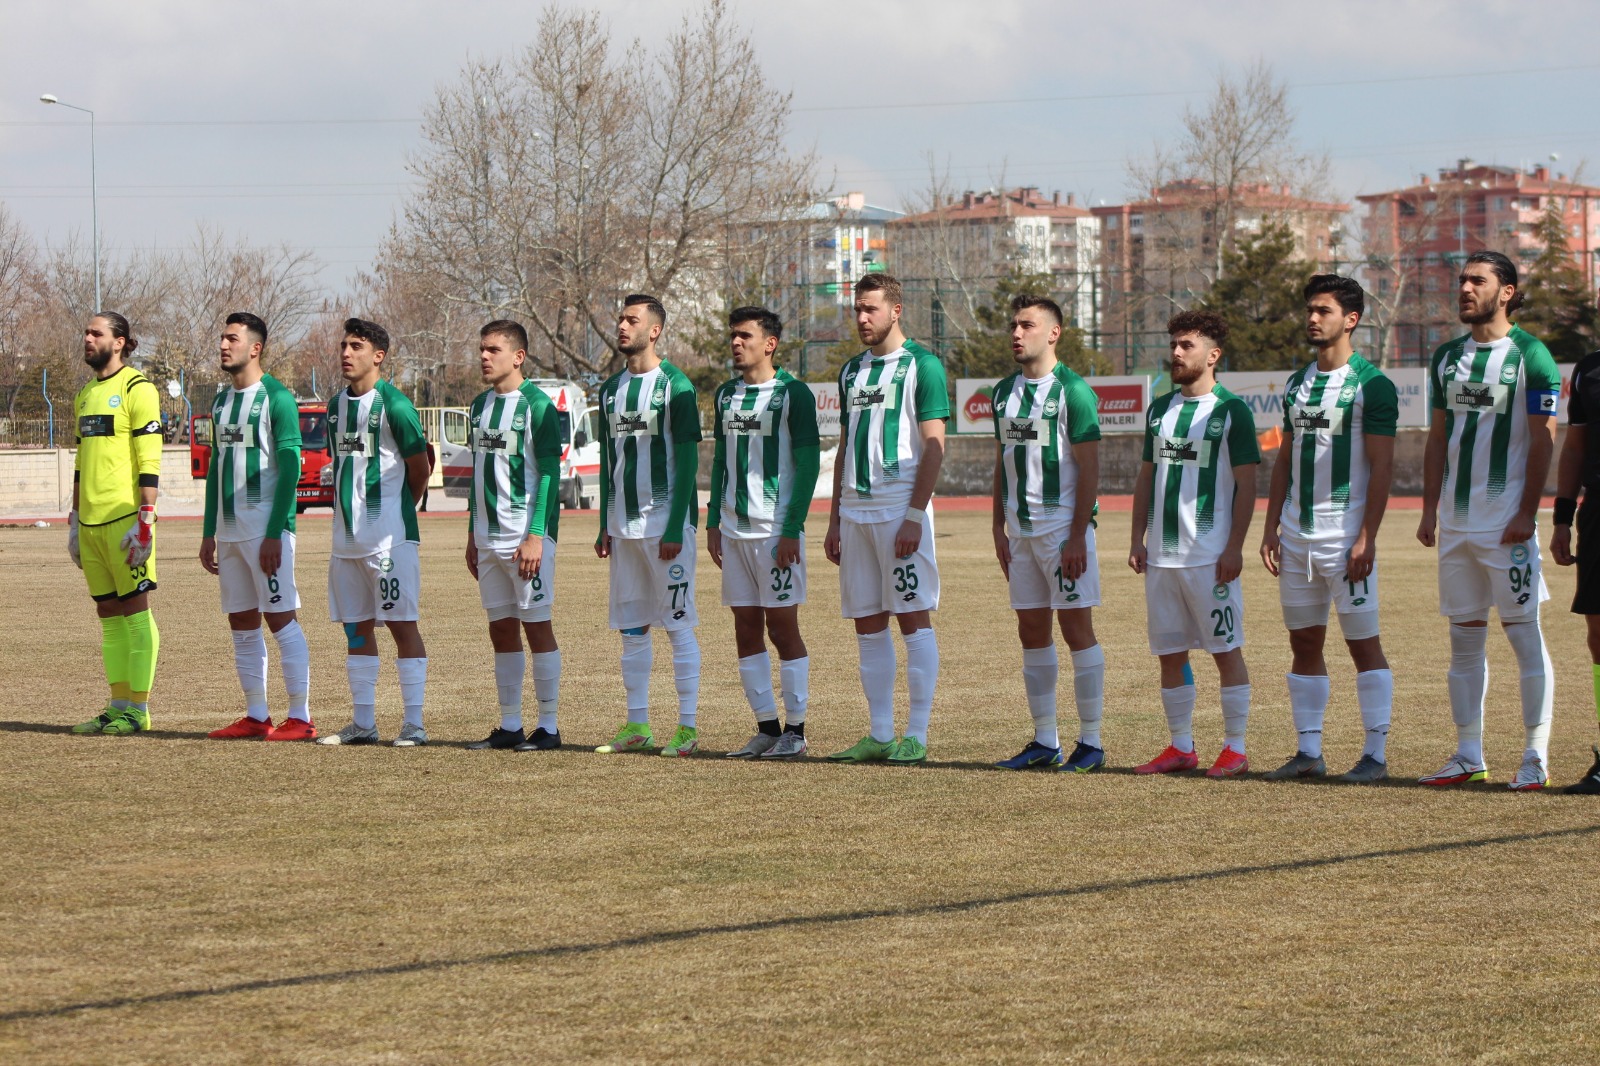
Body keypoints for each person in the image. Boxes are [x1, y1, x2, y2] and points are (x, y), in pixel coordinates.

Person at [1417, 251, 1560, 790]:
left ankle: (1535, 755)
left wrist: (1528, 510)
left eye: (1477, 280)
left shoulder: (1533, 356)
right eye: (1461, 280)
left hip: (1508, 526)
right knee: (1464, 641)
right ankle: (1468, 754)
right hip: (1456, 524)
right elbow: (1437, 438)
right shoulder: (1446, 358)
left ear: (1507, 292)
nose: (1464, 288)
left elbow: (1545, 437)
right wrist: (1431, 508)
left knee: (1525, 636)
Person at [1258, 276, 1397, 782]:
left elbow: (1382, 467)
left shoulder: (1373, 385)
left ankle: (1375, 756)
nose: (1312, 319)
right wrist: (1272, 527)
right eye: (1310, 310)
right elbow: (1285, 461)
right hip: (1296, 538)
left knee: (1363, 645)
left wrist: (1367, 536)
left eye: (1323, 311)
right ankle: (1308, 752)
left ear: (1351, 320)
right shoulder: (1297, 383)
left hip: (1345, 540)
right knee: (1304, 643)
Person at [824, 273, 950, 766]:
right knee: (867, 624)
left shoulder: (923, 365)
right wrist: (835, 518)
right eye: (857, 309)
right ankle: (879, 733)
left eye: (871, 309)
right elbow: (844, 448)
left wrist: (915, 515)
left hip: (900, 511)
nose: (861, 318)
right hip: (855, 514)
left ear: (896, 310)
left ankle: (915, 735)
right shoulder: (852, 371)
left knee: (913, 621)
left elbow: (935, 446)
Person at [1129, 310, 1259, 777]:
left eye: (1187, 345)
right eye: (1175, 345)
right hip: (1162, 556)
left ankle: (1236, 748)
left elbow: (1248, 484)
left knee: (1226, 650)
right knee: (1169, 652)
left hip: (1209, 557)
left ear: (1213, 355)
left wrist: (1234, 547)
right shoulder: (1160, 408)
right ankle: (1181, 746)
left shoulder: (1232, 412)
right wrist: (1137, 537)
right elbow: (1147, 476)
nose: (1177, 353)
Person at [989, 294, 1107, 772]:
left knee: (1077, 629)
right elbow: (1001, 462)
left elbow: (1092, 470)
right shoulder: (1002, 392)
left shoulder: (1074, 392)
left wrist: (1079, 534)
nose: (1017, 334)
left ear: (1054, 333)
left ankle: (1093, 743)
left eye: (1028, 325)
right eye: (1014, 325)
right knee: (1031, 631)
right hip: (1020, 533)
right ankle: (1044, 740)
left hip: (1063, 532)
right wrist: (998, 525)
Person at [706, 306, 820, 760]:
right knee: (745, 627)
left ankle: (796, 730)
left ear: (769, 343)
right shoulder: (725, 396)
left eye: (745, 336)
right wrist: (713, 520)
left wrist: (792, 528)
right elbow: (718, 463)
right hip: (734, 532)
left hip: (775, 533)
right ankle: (766, 728)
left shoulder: (794, 394)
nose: (736, 343)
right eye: (732, 335)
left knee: (783, 626)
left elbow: (809, 465)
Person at [592, 295, 704, 757]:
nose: (621, 325)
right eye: (620, 317)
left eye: (631, 319)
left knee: (677, 624)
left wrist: (677, 525)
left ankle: (688, 727)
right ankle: (637, 724)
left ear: (654, 331)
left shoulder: (675, 387)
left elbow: (690, 460)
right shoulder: (610, 390)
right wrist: (604, 522)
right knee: (632, 627)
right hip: (623, 528)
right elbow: (607, 460)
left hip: (665, 528)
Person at [315, 318, 433, 747]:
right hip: (345, 543)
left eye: (357, 346)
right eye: (344, 345)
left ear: (378, 356)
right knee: (357, 630)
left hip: (389, 540)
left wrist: (396, 512)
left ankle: (414, 725)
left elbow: (420, 470)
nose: (347, 353)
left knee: (402, 626)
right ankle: (363, 724)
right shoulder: (334, 407)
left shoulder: (396, 407)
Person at [201, 312, 315, 741]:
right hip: (229, 534)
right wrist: (208, 531)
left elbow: (291, 468)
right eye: (222, 338)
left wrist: (275, 532)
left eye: (232, 339)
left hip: (266, 533)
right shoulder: (220, 402)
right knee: (241, 623)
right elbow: (216, 469)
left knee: (281, 620)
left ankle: (301, 718)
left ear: (255, 348)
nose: (224, 346)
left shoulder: (277, 398)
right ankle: (256, 715)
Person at [462, 320, 564, 752]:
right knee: (500, 630)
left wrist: (536, 536)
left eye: (493, 350)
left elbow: (548, 475)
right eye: (482, 349)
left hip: (526, 538)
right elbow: (477, 476)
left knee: (536, 627)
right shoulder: (479, 407)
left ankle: (549, 727)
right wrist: (472, 532)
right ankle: (509, 725)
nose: (484, 357)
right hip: (488, 539)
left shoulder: (538, 407)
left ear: (518, 356)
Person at [68, 312, 163, 736]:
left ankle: (138, 709)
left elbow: (150, 459)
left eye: (96, 333)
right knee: (107, 612)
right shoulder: (86, 393)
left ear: (120, 341)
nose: (87, 339)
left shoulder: (137, 389)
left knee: (135, 611)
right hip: (90, 525)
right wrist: (73, 520)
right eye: (86, 333)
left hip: (126, 520)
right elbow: (79, 464)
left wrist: (146, 518)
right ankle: (117, 704)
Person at [1552, 345, 1600, 794]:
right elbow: (1575, 446)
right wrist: (1562, 518)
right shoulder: (1589, 369)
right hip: (1598, 512)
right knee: (1599, 631)